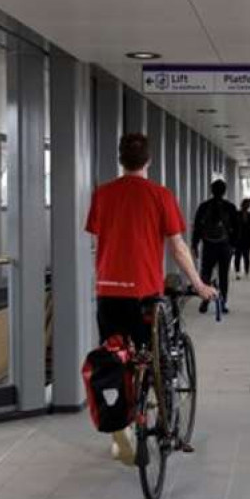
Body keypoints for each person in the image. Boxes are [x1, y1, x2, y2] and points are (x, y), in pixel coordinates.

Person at [86, 133, 217, 466]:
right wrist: (199, 285)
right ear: (149, 161)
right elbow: (177, 247)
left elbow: (97, 243)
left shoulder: (102, 195)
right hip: (144, 293)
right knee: (156, 361)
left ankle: (121, 431)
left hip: (108, 292)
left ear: (120, 159)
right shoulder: (160, 195)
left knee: (116, 358)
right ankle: (162, 423)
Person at [192, 179, 239, 314]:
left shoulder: (204, 206)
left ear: (211, 191)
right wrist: (233, 245)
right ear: (224, 191)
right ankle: (223, 302)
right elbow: (236, 227)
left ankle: (205, 300)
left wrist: (195, 244)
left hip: (208, 245)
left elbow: (197, 227)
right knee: (223, 275)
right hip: (225, 246)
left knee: (206, 273)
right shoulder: (230, 207)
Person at [234, 198, 250, 280]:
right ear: (242, 205)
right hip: (238, 239)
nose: (247, 206)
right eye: (246, 204)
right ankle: (238, 272)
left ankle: (246, 271)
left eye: (248, 205)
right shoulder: (237, 214)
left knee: (246, 257)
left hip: (247, 240)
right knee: (238, 256)